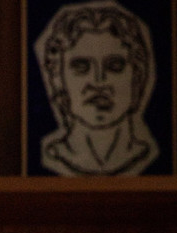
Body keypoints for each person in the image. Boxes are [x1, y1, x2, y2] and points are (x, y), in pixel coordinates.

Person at [34, 0, 159, 175]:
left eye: (114, 66)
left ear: (137, 76)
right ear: (58, 79)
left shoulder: (149, 157)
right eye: (81, 67)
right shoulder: (51, 157)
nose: (99, 81)